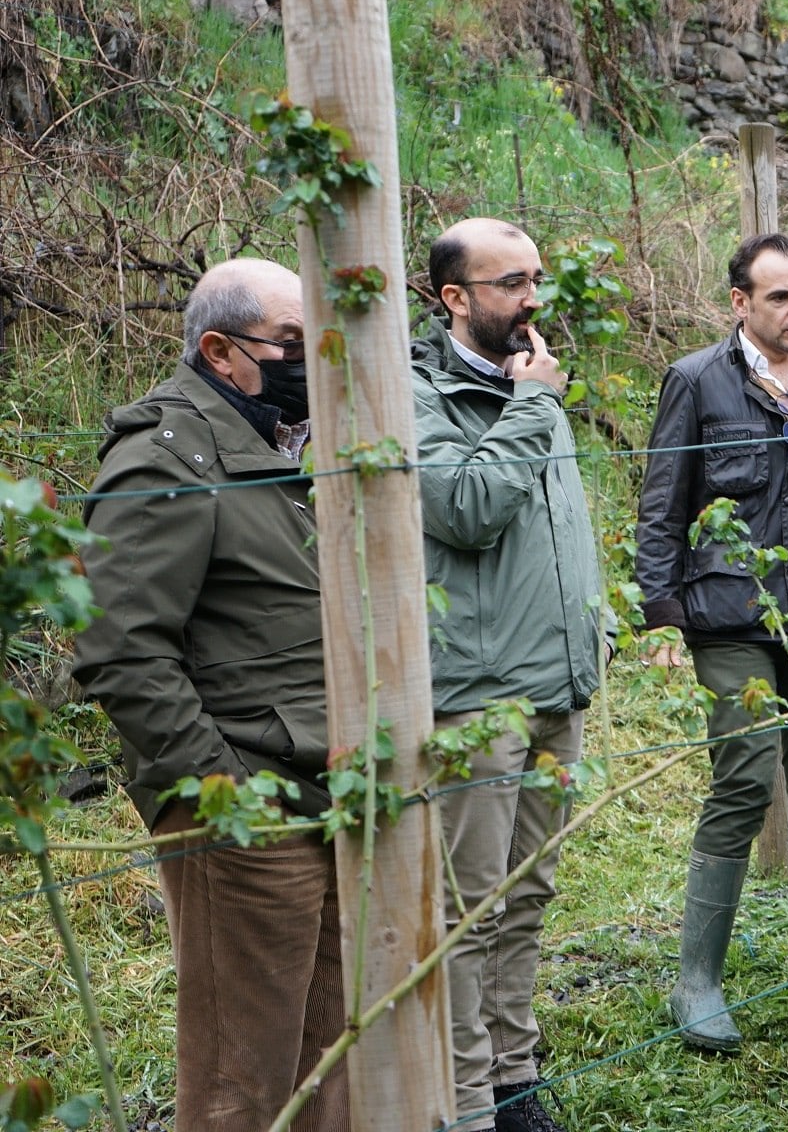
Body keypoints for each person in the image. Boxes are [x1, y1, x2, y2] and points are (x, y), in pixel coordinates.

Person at [73, 258, 347, 1132]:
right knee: (241, 1080)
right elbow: (121, 649)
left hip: (328, 792)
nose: (313, 366)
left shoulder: (286, 445)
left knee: (330, 1058)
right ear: (221, 350)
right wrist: (222, 793)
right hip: (245, 808)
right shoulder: (169, 457)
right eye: (292, 345)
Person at [634, 231, 788, 1051]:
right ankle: (696, 980)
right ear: (741, 303)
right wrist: (661, 612)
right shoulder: (698, 383)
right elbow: (663, 498)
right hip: (731, 616)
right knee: (741, 776)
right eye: (780, 296)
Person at [412, 217, 613, 1132]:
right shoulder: (416, 394)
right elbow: (464, 510)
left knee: (526, 896)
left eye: (536, 278)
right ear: (454, 298)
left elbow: (557, 529)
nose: (533, 299)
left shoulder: (533, 381)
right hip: (476, 700)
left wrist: (595, 632)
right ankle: (462, 1107)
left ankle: (513, 1078)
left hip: (553, 688)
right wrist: (532, 405)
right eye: (509, 283)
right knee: (469, 911)